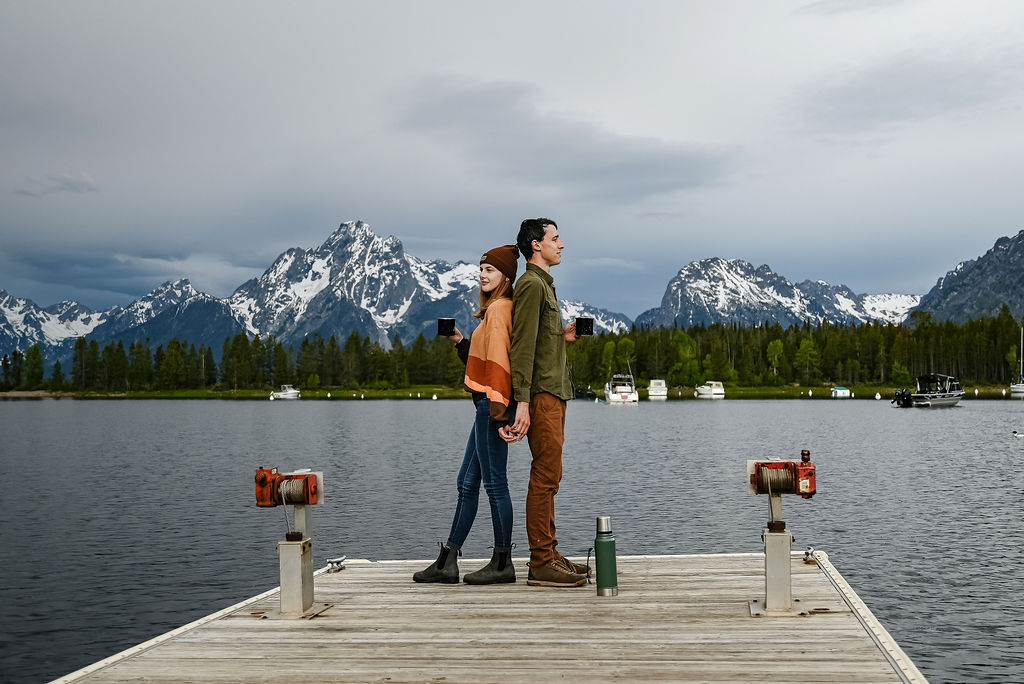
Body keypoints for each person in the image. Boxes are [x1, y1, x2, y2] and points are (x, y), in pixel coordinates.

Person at [413, 244, 520, 585]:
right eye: (481, 269)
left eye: (490, 270)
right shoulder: (496, 310)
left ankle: (502, 563)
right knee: (467, 483)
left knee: (495, 484)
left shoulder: (500, 309)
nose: (482, 275)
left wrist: (500, 416)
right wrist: (462, 342)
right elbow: (487, 361)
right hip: (488, 406)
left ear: (506, 276)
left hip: (492, 406)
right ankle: (448, 561)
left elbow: (500, 366)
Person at [501, 218, 589, 588]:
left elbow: (538, 340)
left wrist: (561, 335)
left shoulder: (544, 286)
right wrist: (522, 402)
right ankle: (540, 561)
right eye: (555, 238)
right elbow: (521, 348)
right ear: (536, 245)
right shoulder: (532, 285)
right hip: (540, 395)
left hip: (553, 392)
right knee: (545, 475)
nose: (561, 244)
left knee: (551, 474)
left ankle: (550, 554)